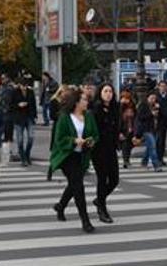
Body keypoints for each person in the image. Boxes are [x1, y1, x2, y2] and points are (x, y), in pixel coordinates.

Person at [50, 89, 99, 233]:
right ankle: (85, 221)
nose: (86, 102)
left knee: (73, 184)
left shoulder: (88, 116)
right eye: (84, 99)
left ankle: (60, 206)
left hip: (81, 156)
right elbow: (59, 139)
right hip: (67, 156)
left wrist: (91, 141)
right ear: (76, 102)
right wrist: (73, 141)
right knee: (78, 187)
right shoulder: (65, 117)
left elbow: (95, 134)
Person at [91, 83, 120, 223]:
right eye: (105, 91)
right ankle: (102, 209)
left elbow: (117, 126)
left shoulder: (115, 108)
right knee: (102, 179)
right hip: (99, 149)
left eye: (110, 91)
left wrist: (119, 135)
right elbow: (95, 128)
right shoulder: (96, 108)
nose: (108, 94)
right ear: (100, 93)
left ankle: (99, 199)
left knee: (114, 179)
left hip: (111, 148)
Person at [133, 93, 163, 172]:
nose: (153, 100)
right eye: (151, 98)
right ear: (148, 98)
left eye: (154, 98)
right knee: (153, 147)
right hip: (146, 129)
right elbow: (140, 117)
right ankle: (156, 165)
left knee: (150, 147)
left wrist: (158, 109)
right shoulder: (143, 105)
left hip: (154, 129)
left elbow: (160, 116)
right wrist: (151, 114)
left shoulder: (155, 106)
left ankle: (144, 162)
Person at [46, 85, 69, 181]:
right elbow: (51, 116)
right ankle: (50, 170)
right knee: (56, 150)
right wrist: (60, 115)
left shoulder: (67, 102)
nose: (65, 94)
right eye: (64, 92)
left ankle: (68, 172)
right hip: (58, 127)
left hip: (66, 127)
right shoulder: (54, 101)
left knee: (66, 151)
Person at [11, 78, 36, 166]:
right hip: (19, 117)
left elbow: (33, 104)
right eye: (22, 86)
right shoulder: (15, 92)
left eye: (25, 86)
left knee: (31, 137)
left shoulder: (30, 92)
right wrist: (18, 105)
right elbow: (11, 105)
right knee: (20, 139)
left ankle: (27, 154)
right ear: (19, 85)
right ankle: (23, 158)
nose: (24, 88)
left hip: (29, 116)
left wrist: (35, 116)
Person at [155, 81, 167, 165]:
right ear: (158, 87)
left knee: (162, 141)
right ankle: (156, 159)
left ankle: (160, 158)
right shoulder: (155, 96)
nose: (163, 88)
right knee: (157, 141)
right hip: (155, 122)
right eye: (161, 86)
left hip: (164, 122)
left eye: (164, 86)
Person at [119, 90, 136, 169]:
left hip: (131, 126)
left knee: (129, 144)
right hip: (123, 127)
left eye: (127, 98)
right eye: (123, 97)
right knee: (125, 145)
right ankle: (126, 161)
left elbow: (136, 115)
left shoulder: (132, 105)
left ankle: (127, 159)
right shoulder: (120, 106)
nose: (125, 100)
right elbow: (118, 117)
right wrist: (121, 104)